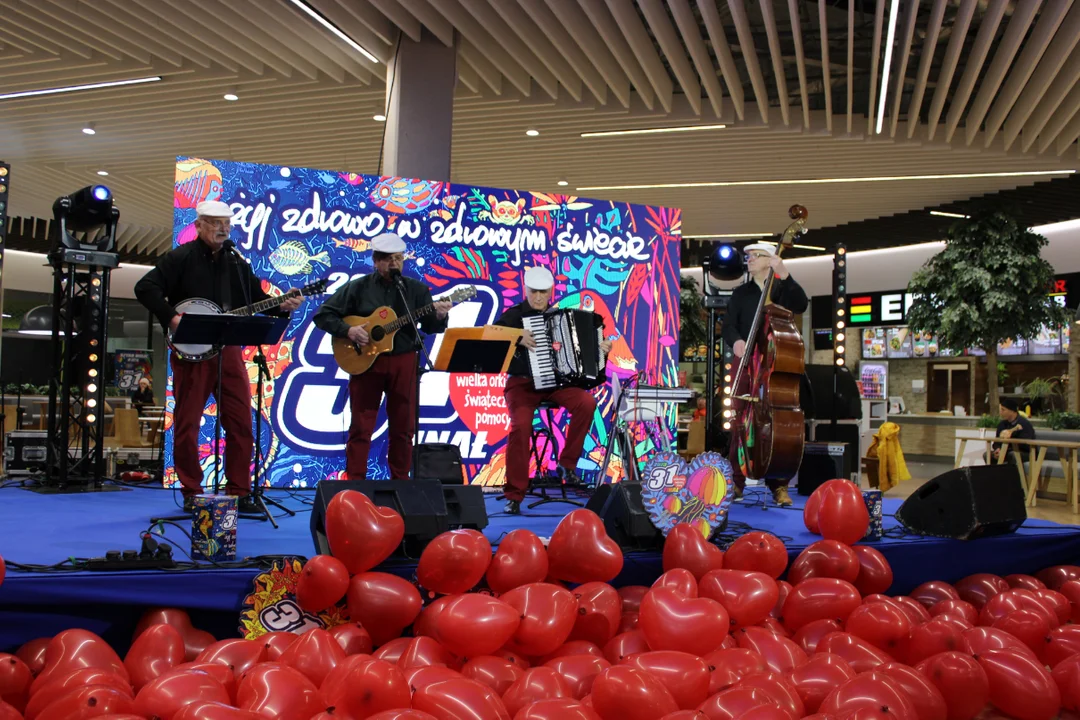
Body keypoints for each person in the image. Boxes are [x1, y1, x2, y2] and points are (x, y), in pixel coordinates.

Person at [135, 200, 304, 513]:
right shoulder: (180, 258)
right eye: (214, 223)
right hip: (192, 355)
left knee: (241, 422)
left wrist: (282, 305)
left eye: (226, 223)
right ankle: (191, 491)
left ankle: (238, 491)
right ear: (199, 226)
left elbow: (259, 300)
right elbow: (145, 288)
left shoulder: (237, 263)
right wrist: (173, 318)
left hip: (228, 351)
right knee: (186, 424)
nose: (222, 228)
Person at [313, 232, 451, 480]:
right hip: (367, 363)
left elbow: (430, 326)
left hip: (405, 361)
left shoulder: (417, 290)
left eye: (398, 258)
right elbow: (323, 315)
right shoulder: (358, 288)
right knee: (361, 426)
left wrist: (440, 315)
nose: (394, 264)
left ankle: (401, 482)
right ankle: (355, 482)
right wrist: (349, 331)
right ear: (376, 261)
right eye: (388, 259)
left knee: (403, 427)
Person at [493, 266, 612, 515]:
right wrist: (516, 336)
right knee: (521, 427)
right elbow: (492, 335)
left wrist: (601, 348)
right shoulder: (513, 316)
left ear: (550, 292)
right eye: (534, 292)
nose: (538, 297)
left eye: (543, 292)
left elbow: (582, 350)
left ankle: (567, 465)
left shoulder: (560, 315)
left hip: (557, 384)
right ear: (525, 290)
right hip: (523, 384)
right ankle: (514, 494)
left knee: (586, 403)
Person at [720, 242, 809, 506]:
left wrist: (785, 274)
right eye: (747, 256)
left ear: (769, 260)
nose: (748, 260)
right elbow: (728, 326)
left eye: (754, 256)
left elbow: (801, 303)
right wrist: (736, 341)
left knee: (776, 426)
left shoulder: (782, 290)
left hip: (773, 366)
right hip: (746, 364)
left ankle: (778, 485)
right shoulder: (742, 293)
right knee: (739, 421)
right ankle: (736, 482)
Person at [988, 397, 1036, 465]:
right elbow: (996, 441)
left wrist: (1005, 450)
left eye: (1003, 410)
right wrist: (998, 449)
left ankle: (1013, 475)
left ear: (1012, 411)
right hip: (1005, 451)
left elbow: (1025, 444)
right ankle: (994, 475)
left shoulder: (1024, 424)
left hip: (1025, 453)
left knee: (1012, 455)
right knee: (988, 455)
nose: (1001, 412)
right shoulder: (1002, 424)